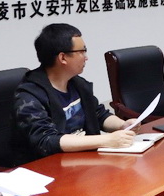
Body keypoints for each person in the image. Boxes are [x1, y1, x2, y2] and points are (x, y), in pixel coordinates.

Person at [13, 23, 138, 162]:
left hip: (84, 159)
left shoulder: (77, 84)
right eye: (82, 51)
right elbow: (46, 140)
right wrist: (107, 140)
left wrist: (122, 125)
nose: (86, 57)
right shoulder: (29, 95)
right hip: (49, 165)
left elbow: (98, 114)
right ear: (63, 58)